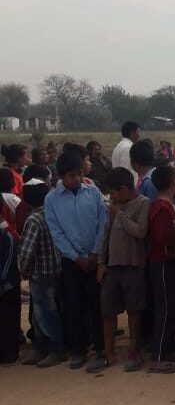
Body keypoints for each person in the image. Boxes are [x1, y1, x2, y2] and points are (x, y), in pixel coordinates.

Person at [44, 151, 108, 369]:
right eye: (72, 175)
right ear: (61, 175)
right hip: (71, 261)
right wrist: (75, 257)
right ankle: (78, 349)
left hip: (94, 257)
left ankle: (101, 347)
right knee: (73, 305)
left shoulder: (93, 192)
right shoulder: (52, 199)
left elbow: (102, 222)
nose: (78, 179)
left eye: (80, 173)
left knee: (97, 304)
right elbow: (56, 232)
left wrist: (95, 253)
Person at [89, 168, 150, 373]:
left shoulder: (143, 203)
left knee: (134, 310)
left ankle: (134, 351)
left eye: (113, 192)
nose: (112, 197)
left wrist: (120, 215)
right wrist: (101, 262)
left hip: (133, 266)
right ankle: (108, 353)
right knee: (108, 311)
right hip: (112, 267)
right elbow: (105, 235)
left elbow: (140, 231)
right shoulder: (114, 207)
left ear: (124, 190)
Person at [17, 178, 66, 368]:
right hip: (57, 268)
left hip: (41, 272)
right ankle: (42, 347)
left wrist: (23, 269)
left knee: (45, 313)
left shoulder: (33, 220)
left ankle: (55, 349)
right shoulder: (54, 213)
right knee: (46, 311)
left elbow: (26, 252)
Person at [147, 166, 175, 373]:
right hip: (163, 261)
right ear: (173, 180)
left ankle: (169, 348)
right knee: (166, 309)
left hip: (171, 261)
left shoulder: (169, 204)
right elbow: (162, 237)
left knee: (172, 307)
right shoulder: (162, 207)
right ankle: (159, 357)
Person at [0, 207, 20, 365]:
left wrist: (2, 281)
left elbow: (9, 262)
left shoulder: (7, 234)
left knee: (9, 319)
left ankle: (11, 353)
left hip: (8, 285)